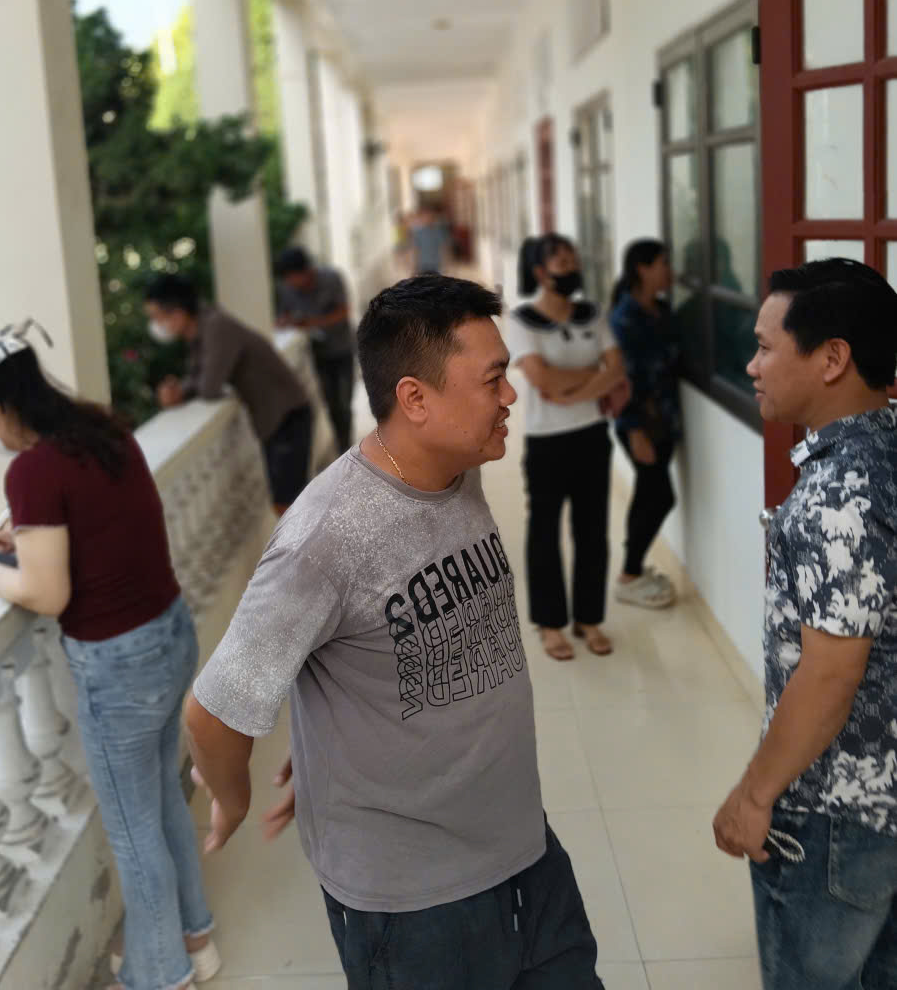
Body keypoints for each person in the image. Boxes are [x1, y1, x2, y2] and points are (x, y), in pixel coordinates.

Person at [184, 275, 605, 990]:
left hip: (521, 847)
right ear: (414, 399)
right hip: (414, 907)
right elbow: (214, 712)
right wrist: (232, 798)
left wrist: (330, 745)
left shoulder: (456, 470)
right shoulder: (324, 539)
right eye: (493, 380)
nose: (510, 395)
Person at [0, 330, 219, 990]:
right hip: (169, 632)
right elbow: (98, 527)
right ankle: (195, 936)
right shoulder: (100, 430)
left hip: (120, 666)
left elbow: (47, 594)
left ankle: (163, 974)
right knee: (164, 798)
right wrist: (21, 540)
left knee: (133, 829)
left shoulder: (32, 469)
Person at [712, 258, 897, 990]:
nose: (751, 365)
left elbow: (829, 673)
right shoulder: (884, 447)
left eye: (764, 346)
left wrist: (754, 796)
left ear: (831, 358)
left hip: (833, 815)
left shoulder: (838, 493)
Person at [503, 234, 628, 660]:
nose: (572, 267)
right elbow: (541, 378)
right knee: (544, 532)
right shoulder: (521, 321)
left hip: (592, 435)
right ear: (540, 272)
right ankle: (550, 624)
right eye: (561, 261)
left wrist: (571, 391)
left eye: (574, 259)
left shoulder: (594, 313)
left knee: (593, 531)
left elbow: (617, 369)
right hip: (546, 441)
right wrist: (594, 377)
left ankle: (589, 619)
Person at [144, 274, 312, 516]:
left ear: (178, 314)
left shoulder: (216, 327)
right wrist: (179, 391)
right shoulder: (201, 329)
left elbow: (209, 386)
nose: (155, 325)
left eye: (157, 317)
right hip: (277, 418)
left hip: (286, 415)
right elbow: (199, 376)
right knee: (287, 505)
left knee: (289, 506)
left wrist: (182, 391)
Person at [609, 239, 681, 609]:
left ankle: (632, 571)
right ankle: (629, 575)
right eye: (663, 263)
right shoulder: (625, 319)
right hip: (640, 424)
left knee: (648, 493)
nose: (670, 271)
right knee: (659, 495)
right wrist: (634, 430)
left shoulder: (661, 310)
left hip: (663, 420)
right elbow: (620, 380)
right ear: (642, 268)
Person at [275, 246, 355, 454]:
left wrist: (312, 322)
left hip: (342, 349)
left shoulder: (331, 278)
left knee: (344, 402)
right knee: (331, 403)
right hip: (318, 355)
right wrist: (286, 321)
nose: (290, 283)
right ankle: (342, 447)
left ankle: (347, 445)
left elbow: (344, 311)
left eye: (292, 277)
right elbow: (283, 316)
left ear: (305, 271)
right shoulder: (287, 290)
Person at [408, 203, 451, 274]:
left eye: (430, 216)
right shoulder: (417, 232)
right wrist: (414, 267)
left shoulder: (438, 232)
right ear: (421, 217)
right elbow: (415, 250)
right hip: (422, 265)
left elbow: (443, 248)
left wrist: (445, 265)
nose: (428, 218)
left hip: (436, 265)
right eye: (425, 216)